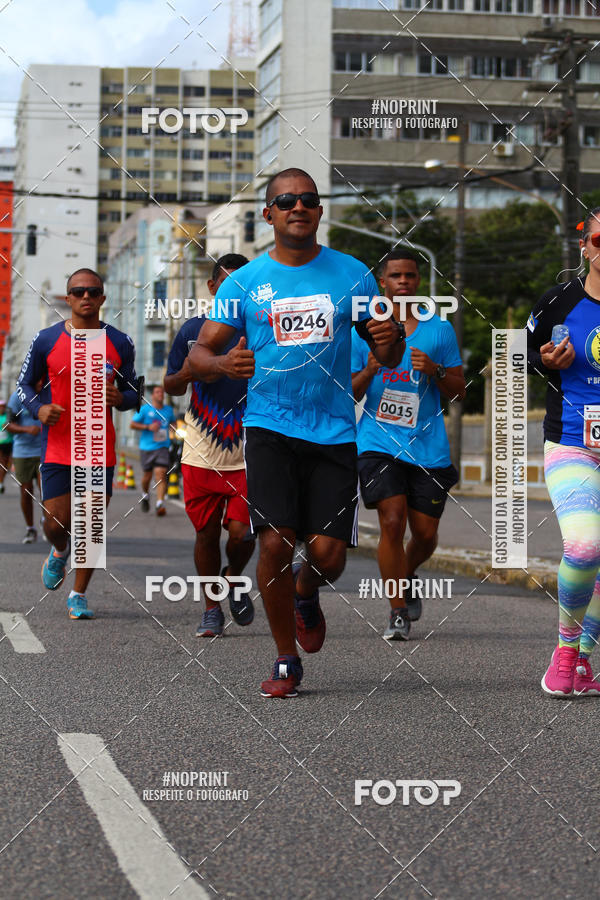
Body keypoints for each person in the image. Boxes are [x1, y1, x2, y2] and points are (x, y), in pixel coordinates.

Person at [189, 168, 404, 697]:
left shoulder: (353, 275)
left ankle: (307, 593)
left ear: (319, 211)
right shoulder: (243, 283)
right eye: (286, 200)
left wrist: (389, 337)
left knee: (329, 556)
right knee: (275, 545)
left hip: (333, 431)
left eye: (308, 199)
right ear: (269, 214)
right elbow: (198, 353)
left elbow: (388, 353)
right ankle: (285, 657)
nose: (298, 207)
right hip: (269, 428)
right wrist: (222, 366)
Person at [351, 250, 465, 640]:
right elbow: (345, 391)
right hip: (378, 442)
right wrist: (369, 369)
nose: (403, 282)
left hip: (428, 448)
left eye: (410, 276)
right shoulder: (364, 331)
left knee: (426, 534)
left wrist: (434, 370)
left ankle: (407, 572)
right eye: (395, 275)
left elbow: (460, 391)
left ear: (418, 281)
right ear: (383, 282)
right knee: (392, 520)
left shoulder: (438, 331)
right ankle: (397, 611)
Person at [17, 268, 138, 619]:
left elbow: (135, 392)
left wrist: (122, 398)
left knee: (91, 525)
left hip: (99, 447)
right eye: (78, 291)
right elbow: (23, 386)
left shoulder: (120, 342)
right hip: (57, 446)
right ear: (68, 299)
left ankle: (78, 595)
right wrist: (39, 409)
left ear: (102, 298)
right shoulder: (45, 340)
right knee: (55, 524)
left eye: (93, 291)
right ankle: (58, 551)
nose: (86, 297)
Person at [528, 206, 600, 697]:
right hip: (574, 443)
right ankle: (566, 648)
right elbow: (525, 354)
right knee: (584, 546)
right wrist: (546, 360)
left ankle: (585, 661)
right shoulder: (559, 301)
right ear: (586, 245)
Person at [164, 253, 255, 637]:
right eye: (229, 284)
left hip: (250, 451)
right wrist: (194, 367)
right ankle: (211, 608)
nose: (236, 292)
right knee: (205, 534)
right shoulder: (192, 331)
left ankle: (232, 577)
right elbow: (171, 385)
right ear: (213, 287)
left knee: (242, 534)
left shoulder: (262, 329)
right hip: (201, 448)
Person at [130, 384, 175, 517]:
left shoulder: (169, 410)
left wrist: (174, 428)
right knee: (147, 477)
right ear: (153, 395)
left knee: (161, 473)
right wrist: (148, 427)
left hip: (162, 447)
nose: (160, 394)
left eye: (162, 392)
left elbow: (173, 422)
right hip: (147, 447)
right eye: (157, 392)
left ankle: (160, 503)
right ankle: (145, 494)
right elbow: (132, 424)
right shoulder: (145, 410)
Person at [6, 383, 43, 543]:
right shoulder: (17, 397)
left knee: (46, 491)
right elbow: (7, 425)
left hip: (45, 450)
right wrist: (27, 429)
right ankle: (30, 529)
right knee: (26, 491)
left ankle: (47, 522)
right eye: (39, 379)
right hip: (23, 451)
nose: (41, 382)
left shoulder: (48, 394)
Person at [0, 398, 13, 494]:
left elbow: (13, 427)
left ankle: (1, 481)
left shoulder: (8, 417)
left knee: (5, 465)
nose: (2, 408)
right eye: (0, 407)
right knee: (2, 462)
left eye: (3, 407)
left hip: (8, 443)